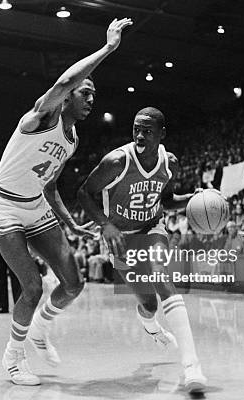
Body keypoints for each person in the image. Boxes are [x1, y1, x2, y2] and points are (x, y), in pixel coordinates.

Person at [0, 18, 132, 385]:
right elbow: (65, 80)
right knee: (32, 287)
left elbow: (48, 185)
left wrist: (66, 219)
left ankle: (39, 330)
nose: (91, 101)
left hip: (35, 204)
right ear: (67, 97)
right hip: (3, 205)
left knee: (73, 283)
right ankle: (14, 358)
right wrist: (108, 48)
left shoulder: (73, 139)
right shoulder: (41, 116)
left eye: (94, 96)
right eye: (86, 94)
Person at [77, 107, 207, 393]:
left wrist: (194, 199)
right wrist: (105, 226)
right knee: (148, 305)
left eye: (147, 130)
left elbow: (168, 200)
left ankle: (192, 366)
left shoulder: (168, 162)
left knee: (161, 277)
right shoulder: (116, 161)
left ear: (162, 134)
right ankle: (150, 324)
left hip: (152, 230)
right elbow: (84, 193)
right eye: (136, 128)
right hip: (120, 238)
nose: (139, 135)